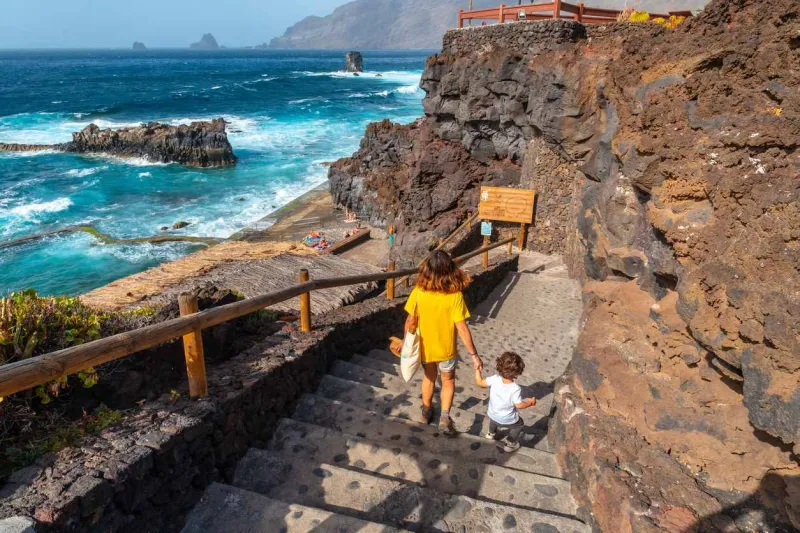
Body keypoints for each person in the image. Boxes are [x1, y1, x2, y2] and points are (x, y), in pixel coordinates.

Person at [396, 250, 482, 436]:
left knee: (429, 377)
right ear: (449, 269)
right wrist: (474, 355)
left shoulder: (418, 292)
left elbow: (410, 320)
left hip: (426, 349)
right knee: (448, 380)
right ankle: (444, 417)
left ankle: (426, 411)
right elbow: (462, 328)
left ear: (427, 270)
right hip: (446, 350)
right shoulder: (455, 296)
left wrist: (405, 341)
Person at [474, 351, 537, 452]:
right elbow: (519, 405)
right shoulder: (515, 388)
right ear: (518, 372)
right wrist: (530, 402)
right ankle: (510, 444)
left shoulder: (494, 379)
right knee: (519, 425)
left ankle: (491, 434)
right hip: (507, 419)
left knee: (494, 419)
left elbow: (480, 382)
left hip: (492, 413)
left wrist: (477, 370)